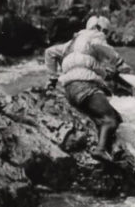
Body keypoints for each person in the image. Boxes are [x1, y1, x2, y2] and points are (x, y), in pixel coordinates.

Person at [45, 16, 130, 161]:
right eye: (106, 32)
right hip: (86, 87)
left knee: (106, 118)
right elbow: (103, 47)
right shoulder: (95, 35)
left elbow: (49, 52)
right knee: (111, 120)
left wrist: (53, 78)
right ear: (98, 28)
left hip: (70, 90)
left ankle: (111, 150)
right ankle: (100, 150)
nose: (106, 36)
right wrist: (120, 63)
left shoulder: (70, 43)